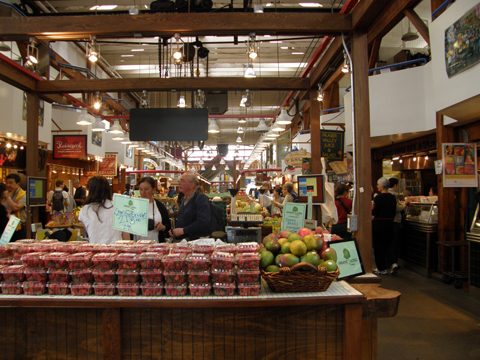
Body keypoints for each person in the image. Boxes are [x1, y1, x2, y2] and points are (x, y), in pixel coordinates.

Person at [78, 176, 124, 244]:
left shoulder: (85, 210)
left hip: (96, 250)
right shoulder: (118, 206)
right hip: (116, 249)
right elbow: (125, 233)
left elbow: (88, 230)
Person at [169, 172, 210, 241]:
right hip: (183, 241)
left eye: (182, 181)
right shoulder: (183, 199)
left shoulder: (201, 199)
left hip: (195, 243)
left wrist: (183, 231)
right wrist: (174, 231)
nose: (179, 184)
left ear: (191, 185)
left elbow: (203, 222)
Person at [132, 177, 171, 243]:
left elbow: (168, 225)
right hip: (137, 246)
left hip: (156, 245)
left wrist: (162, 227)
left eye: (146, 189)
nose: (143, 192)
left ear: (153, 190)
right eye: (141, 189)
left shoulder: (160, 206)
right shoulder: (133, 205)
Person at [372, 177, 397, 275]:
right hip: (389, 223)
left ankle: (381, 268)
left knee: (378, 246)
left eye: (378, 185)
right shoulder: (392, 197)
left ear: (382, 186)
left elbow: (374, 211)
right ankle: (393, 263)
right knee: (389, 245)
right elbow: (394, 211)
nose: (377, 186)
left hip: (378, 224)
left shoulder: (378, 198)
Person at [387, 178, 406, 275]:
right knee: (394, 243)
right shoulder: (393, 195)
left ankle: (391, 263)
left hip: (389, 221)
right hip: (395, 221)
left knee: (390, 243)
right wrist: (405, 204)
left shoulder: (387, 194)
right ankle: (393, 263)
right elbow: (397, 208)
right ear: (395, 185)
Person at [2, 173, 27, 241]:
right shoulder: (4, 194)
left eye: (11, 183)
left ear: (18, 184)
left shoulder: (23, 195)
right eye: (7, 183)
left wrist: (8, 197)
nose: (8, 185)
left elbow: (15, 208)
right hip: (7, 228)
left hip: (19, 228)